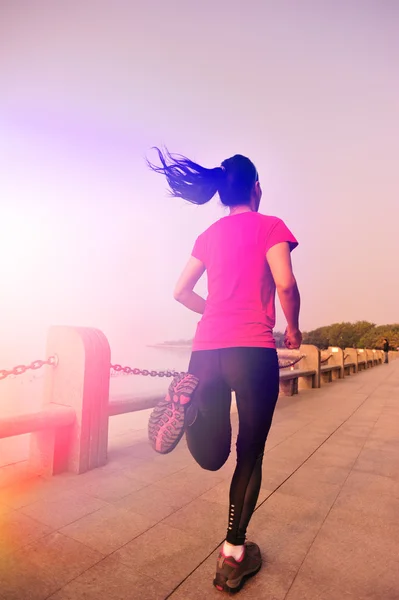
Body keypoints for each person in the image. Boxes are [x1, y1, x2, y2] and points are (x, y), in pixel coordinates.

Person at [147, 149, 302, 593]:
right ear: (256, 188)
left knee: (214, 456)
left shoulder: (208, 234)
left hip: (206, 352)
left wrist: (212, 308)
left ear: (221, 193)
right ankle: (233, 555)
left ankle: (188, 406)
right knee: (249, 451)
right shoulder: (271, 225)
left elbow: (181, 291)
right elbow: (286, 283)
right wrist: (291, 328)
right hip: (251, 351)